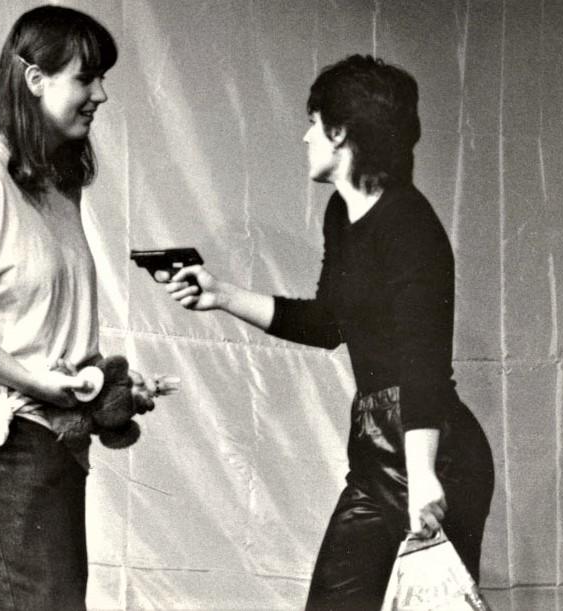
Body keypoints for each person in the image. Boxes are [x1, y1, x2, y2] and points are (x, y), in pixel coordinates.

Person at [155, 54, 495, 609]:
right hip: (374, 449)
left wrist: (423, 474)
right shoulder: (342, 212)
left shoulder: (409, 223)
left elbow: (424, 361)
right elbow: (328, 321)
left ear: (340, 133)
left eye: (313, 122)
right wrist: (220, 294)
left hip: (435, 453)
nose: (305, 136)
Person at [0, 6, 163, 610]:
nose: (100, 95)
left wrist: (101, 387)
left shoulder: (55, 186)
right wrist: (32, 381)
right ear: (35, 79)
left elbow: (44, 333)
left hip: (49, 443)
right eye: (85, 78)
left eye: (103, 79)